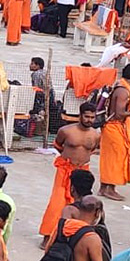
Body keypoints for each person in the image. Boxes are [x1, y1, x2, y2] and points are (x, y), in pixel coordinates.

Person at [42, 103, 99, 245]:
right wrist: (69, 159)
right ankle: (48, 236)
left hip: (83, 171)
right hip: (65, 170)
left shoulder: (96, 135)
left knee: (81, 204)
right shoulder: (66, 131)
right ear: (80, 116)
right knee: (57, 202)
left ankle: (74, 235)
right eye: (86, 116)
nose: (89, 120)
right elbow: (57, 145)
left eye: (92, 117)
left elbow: (92, 150)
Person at [100, 65, 130, 201]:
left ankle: (104, 188)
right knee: (116, 158)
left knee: (110, 158)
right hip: (114, 127)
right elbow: (119, 114)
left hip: (112, 127)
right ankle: (110, 189)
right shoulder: (123, 91)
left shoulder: (119, 85)